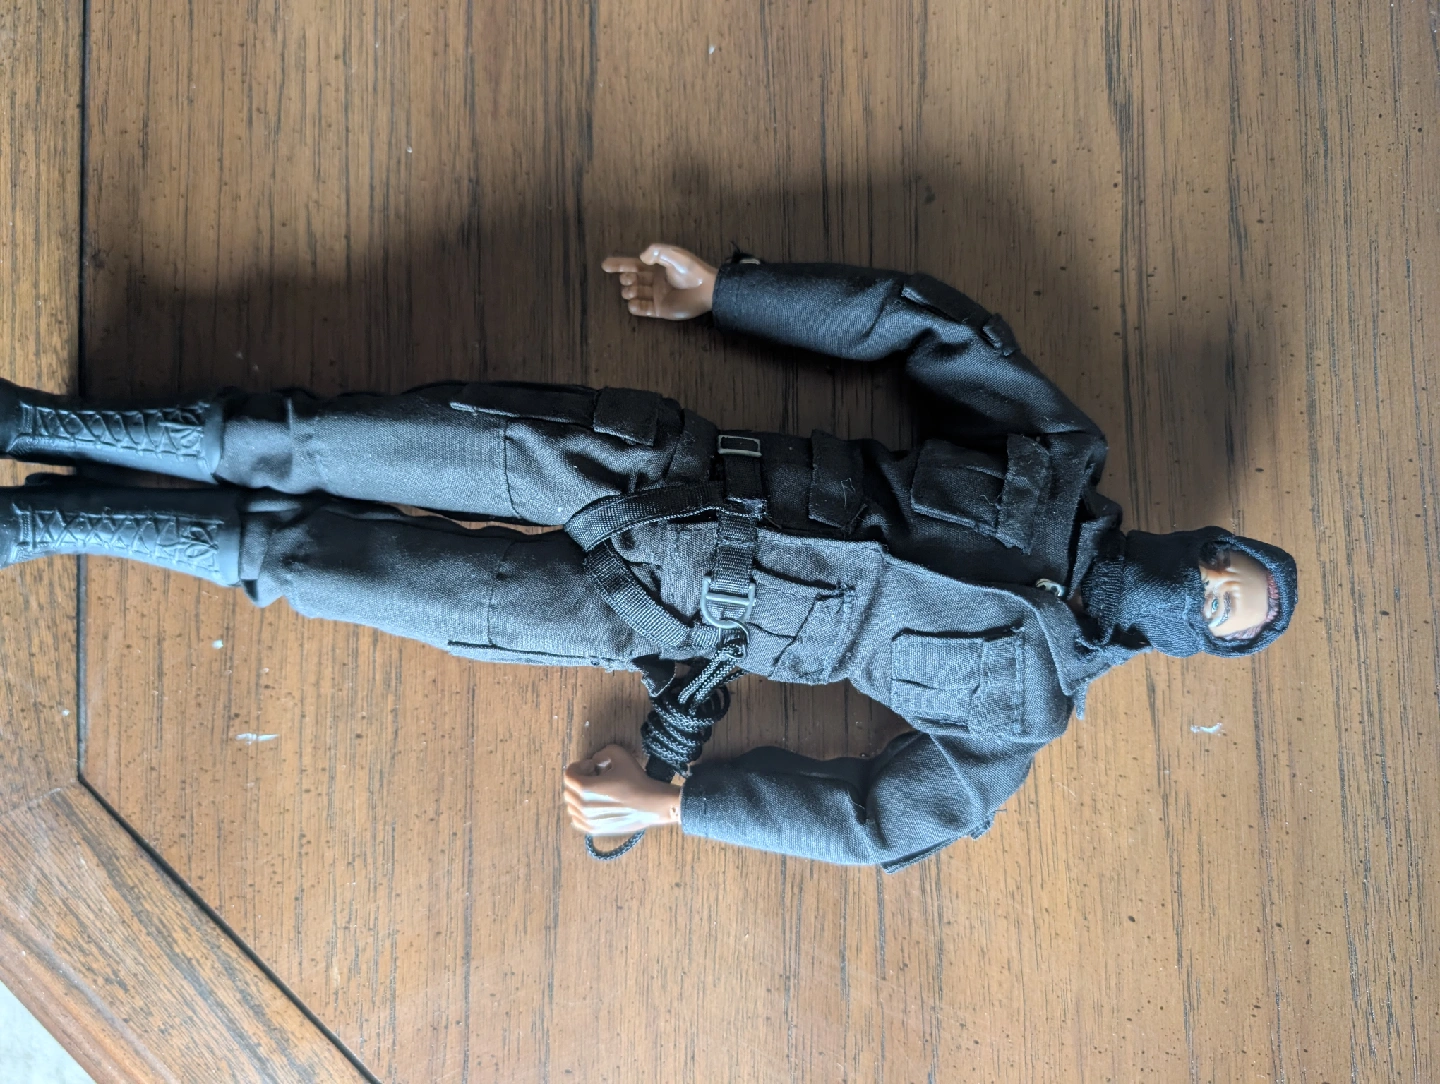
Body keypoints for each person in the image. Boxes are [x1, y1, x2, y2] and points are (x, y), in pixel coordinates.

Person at [0, 245, 1297, 870]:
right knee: (325, 439)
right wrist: (728, 292)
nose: (1205, 592)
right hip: (650, 466)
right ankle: (47, 426)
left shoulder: (1022, 716)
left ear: (1194, 647)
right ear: (1208, 542)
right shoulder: (1060, 455)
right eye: (1226, 572)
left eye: (1222, 614)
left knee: (315, 568)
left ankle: (56, 523)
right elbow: (927, 327)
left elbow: (879, 826)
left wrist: (680, 805)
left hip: (640, 617)